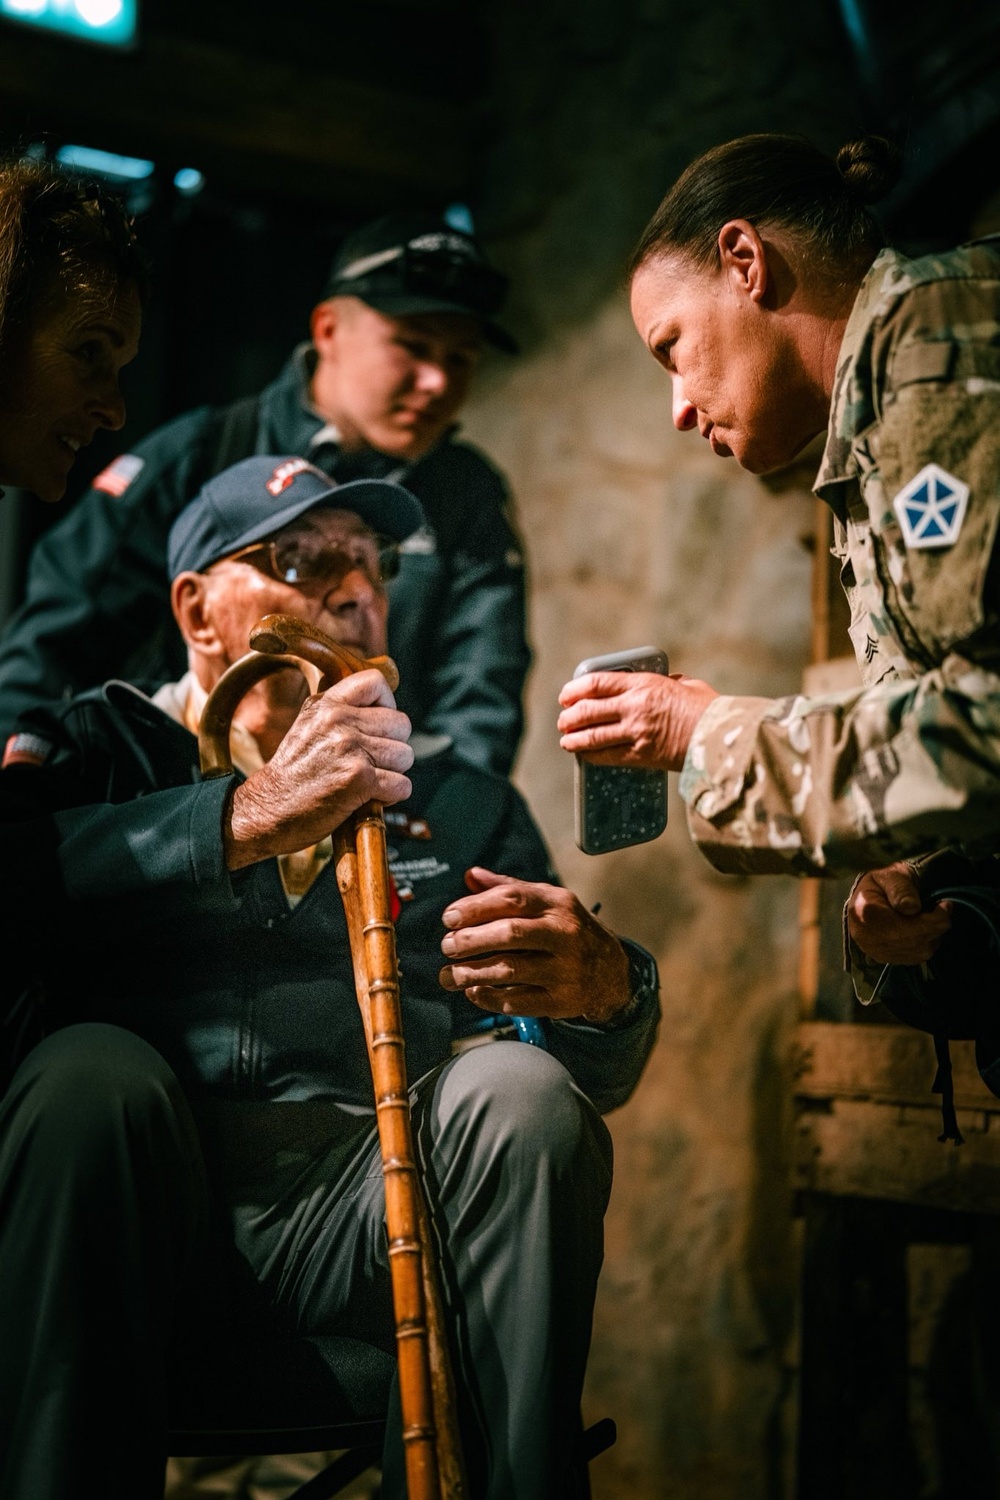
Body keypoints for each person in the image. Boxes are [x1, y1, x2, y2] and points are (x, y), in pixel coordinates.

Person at [0, 455, 660, 1500]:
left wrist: (609, 996)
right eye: (298, 560)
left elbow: (586, 1071)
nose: (352, 592)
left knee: (519, 1096)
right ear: (197, 608)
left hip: (357, 1214)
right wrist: (238, 818)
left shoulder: (458, 798)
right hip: (136, 1209)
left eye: (373, 566)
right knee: (86, 1075)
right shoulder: (95, 758)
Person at [557, 131, 1000, 988]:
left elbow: (986, 725)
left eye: (671, 347)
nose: (679, 410)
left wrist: (703, 733)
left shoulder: (938, 340)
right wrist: (930, 872)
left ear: (744, 261)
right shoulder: (875, 414)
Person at [0, 210, 530, 776]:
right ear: (327, 330)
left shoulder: (468, 492)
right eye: (412, 345)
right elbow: (53, 647)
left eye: (461, 358)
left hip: (383, 810)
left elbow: (483, 690)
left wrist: (441, 826)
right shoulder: (202, 451)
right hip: (180, 807)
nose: (438, 381)